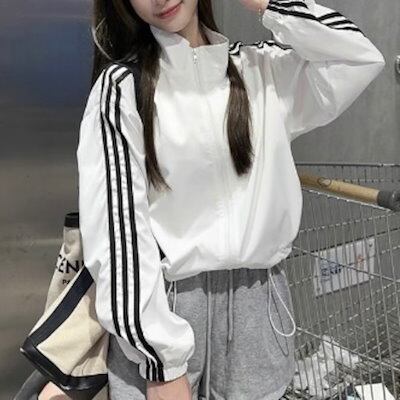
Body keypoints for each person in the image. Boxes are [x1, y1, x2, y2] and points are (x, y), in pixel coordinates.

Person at [39, 0, 385, 399]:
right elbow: (119, 236)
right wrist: (160, 362)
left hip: (259, 304)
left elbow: (357, 57)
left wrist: (266, 4)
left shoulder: (260, 70)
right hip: (165, 308)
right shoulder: (122, 88)